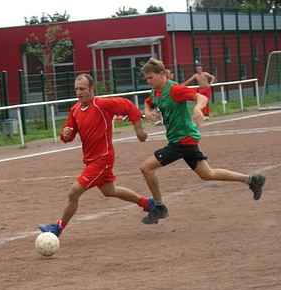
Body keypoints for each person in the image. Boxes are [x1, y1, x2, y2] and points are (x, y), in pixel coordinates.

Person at [139, 58, 265, 225]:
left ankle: (159, 207)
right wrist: (147, 112)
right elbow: (148, 102)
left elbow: (201, 98)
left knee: (146, 168)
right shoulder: (156, 91)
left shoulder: (175, 90)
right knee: (207, 174)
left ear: (162, 74)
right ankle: (252, 180)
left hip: (182, 141)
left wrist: (198, 108)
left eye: (151, 77)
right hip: (182, 141)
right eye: (146, 79)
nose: (149, 81)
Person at [38, 73, 152, 237]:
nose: (79, 92)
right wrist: (65, 134)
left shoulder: (102, 104)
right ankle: (148, 204)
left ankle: (57, 228)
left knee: (74, 192)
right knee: (110, 191)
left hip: (102, 159)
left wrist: (139, 130)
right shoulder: (75, 109)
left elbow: (128, 105)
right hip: (91, 161)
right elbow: (67, 137)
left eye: (82, 89)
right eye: (76, 89)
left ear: (91, 89)